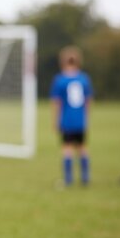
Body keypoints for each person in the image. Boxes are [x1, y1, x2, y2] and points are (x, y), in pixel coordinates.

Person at [50, 46, 93, 186]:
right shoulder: (84, 78)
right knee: (82, 147)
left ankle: (68, 179)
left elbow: (57, 103)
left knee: (67, 148)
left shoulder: (60, 80)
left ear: (63, 61)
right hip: (80, 120)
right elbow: (88, 101)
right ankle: (85, 178)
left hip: (67, 119)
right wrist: (86, 118)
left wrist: (55, 120)